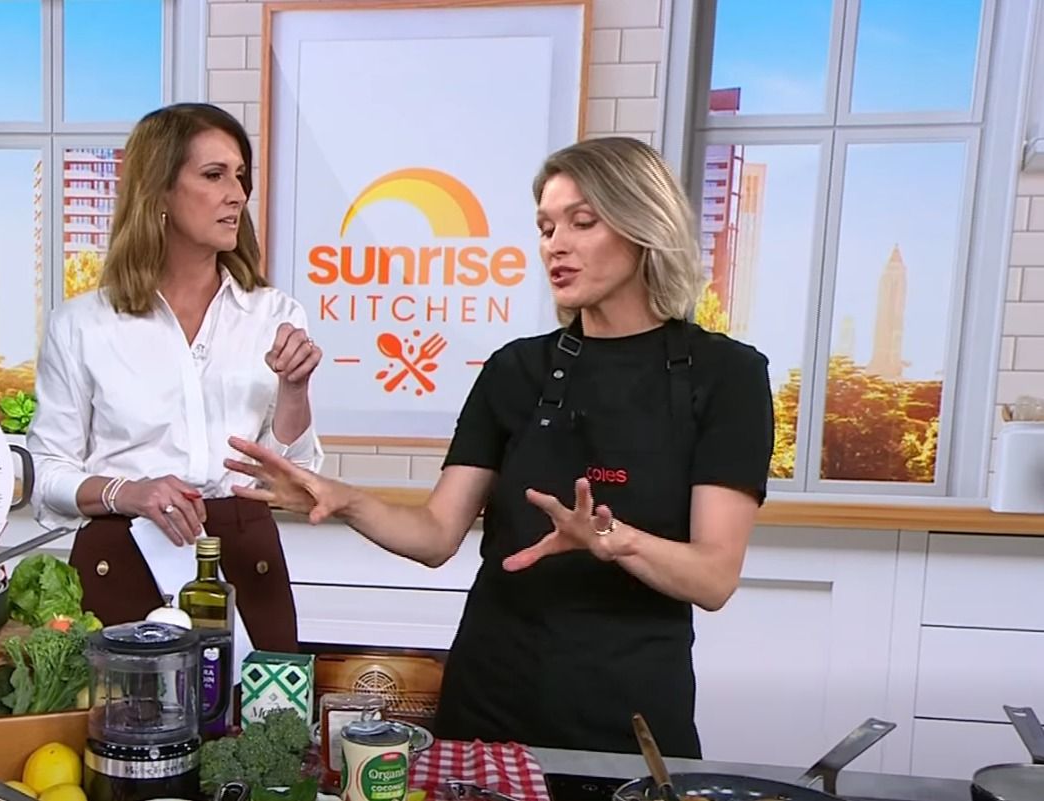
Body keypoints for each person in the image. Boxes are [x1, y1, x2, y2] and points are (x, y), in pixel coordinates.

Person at [224, 136, 774, 754]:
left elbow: (713, 577)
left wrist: (614, 540)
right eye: (545, 227)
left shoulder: (726, 376)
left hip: (631, 714)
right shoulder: (517, 369)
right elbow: (436, 534)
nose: (555, 244)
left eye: (582, 222)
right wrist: (342, 499)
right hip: (489, 700)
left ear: (644, 226)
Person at [27, 103, 322, 652]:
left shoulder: (275, 315)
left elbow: (294, 475)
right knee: (117, 711)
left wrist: (295, 390)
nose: (237, 194)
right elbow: (46, 475)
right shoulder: (82, 324)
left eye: (241, 176)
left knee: (258, 707)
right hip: (121, 556)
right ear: (158, 191)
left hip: (243, 555)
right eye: (214, 175)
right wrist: (130, 492)